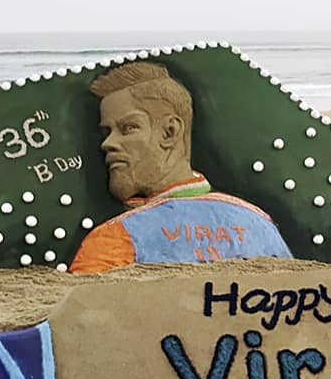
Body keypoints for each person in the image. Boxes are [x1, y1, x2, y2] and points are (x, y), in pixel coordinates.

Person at [70, 62, 293, 274]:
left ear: (170, 132)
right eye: (106, 132)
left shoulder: (115, 240)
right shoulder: (259, 224)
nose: (107, 143)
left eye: (128, 128)